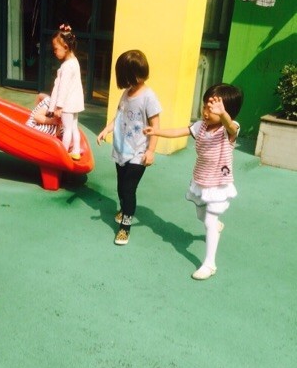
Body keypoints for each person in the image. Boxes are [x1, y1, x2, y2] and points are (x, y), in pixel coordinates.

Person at [144, 83, 244, 280]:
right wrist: (156, 132)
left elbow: (231, 126)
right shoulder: (201, 126)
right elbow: (179, 131)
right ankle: (215, 225)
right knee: (201, 215)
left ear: (227, 111)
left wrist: (223, 114)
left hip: (218, 183)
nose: (206, 112)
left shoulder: (229, 130)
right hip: (201, 178)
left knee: (209, 221)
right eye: (205, 106)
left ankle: (209, 264)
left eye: (212, 109)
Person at [97, 50, 161, 245]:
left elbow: (155, 126)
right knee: (120, 186)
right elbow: (119, 117)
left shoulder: (149, 97)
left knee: (128, 189)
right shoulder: (126, 93)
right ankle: (124, 209)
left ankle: (125, 227)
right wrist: (106, 130)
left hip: (138, 152)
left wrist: (151, 151)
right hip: (121, 149)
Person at [42, 23, 84, 159]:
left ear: (65, 47)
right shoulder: (74, 61)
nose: (54, 52)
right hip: (75, 102)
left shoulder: (67, 66)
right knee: (74, 126)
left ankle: (63, 153)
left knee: (67, 129)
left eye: (56, 49)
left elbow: (63, 87)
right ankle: (76, 150)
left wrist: (59, 106)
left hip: (67, 104)